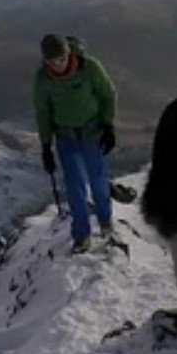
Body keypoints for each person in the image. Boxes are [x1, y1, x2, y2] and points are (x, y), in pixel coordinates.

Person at [33, 33, 117, 253]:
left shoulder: (89, 68)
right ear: (45, 61)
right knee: (74, 188)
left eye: (61, 59)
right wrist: (45, 146)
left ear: (68, 54)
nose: (58, 65)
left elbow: (108, 94)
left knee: (98, 180)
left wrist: (108, 125)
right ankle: (81, 235)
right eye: (52, 61)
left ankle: (105, 220)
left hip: (92, 132)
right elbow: (43, 112)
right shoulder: (43, 79)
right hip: (66, 138)